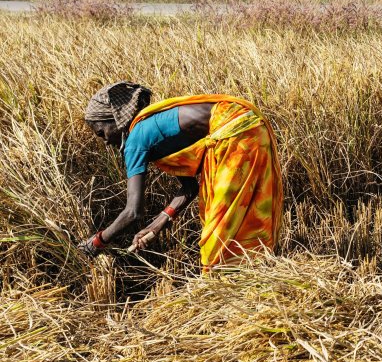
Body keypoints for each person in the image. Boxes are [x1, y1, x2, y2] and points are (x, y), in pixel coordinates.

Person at [80, 82, 283, 270]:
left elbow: (133, 211)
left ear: (115, 120)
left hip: (236, 135)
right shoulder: (148, 127)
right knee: (240, 216)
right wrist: (157, 225)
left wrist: (96, 242)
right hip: (248, 127)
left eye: (101, 132)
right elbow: (189, 188)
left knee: (219, 230)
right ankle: (251, 270)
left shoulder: (136, 140)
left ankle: (224, 277)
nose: (106, 142)